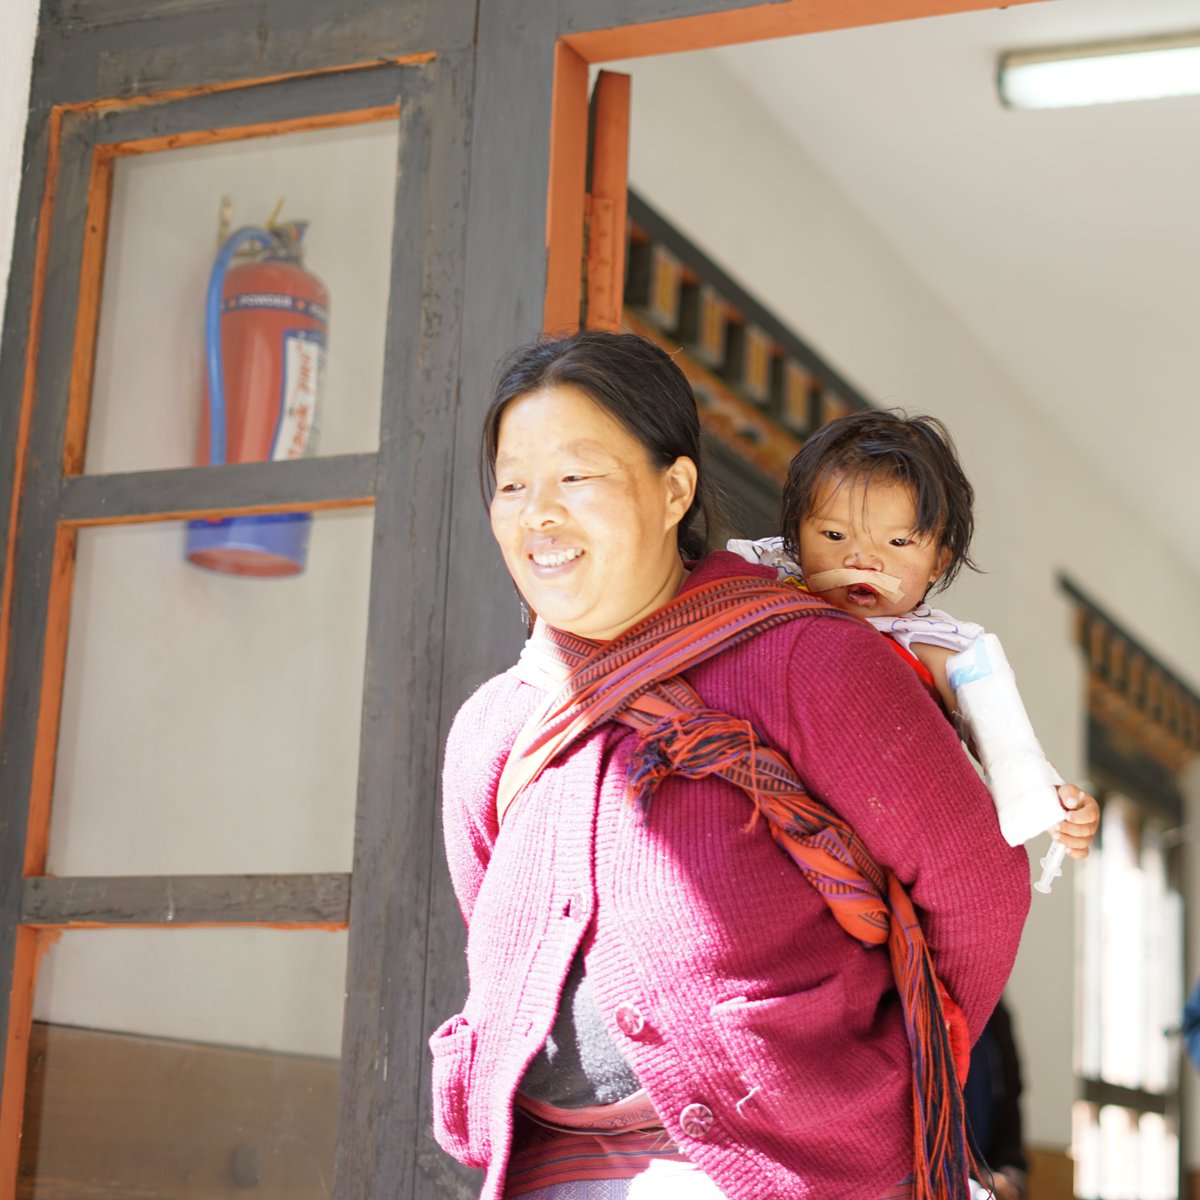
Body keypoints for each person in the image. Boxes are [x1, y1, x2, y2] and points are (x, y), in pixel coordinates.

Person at [430, 331, 1031, 1200]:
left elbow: (977, 889)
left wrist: (876, 1076)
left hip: (785, 1173)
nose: (538, 514)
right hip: (548, 1174)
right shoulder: (493, 727)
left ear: (674, 489)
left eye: (576, 477)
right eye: (513, 484)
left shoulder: (811, 662)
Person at [728, 410, 1099, 872]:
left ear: (938, 562)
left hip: (870, 824)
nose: (863, 559)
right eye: (835, 535)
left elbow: (1008, 744)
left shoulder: (937, 648)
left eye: (898, 543)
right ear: (796, 539)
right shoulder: (766, 580)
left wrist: (1053, 801)